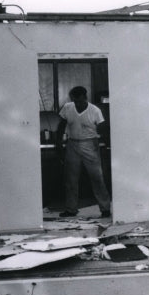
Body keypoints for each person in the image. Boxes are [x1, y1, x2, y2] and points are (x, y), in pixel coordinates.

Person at [55, 86, 111, 218]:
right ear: (72, 99)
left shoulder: (95, 111)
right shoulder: (68, 107)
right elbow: (62, 125)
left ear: (85, 98)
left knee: (97, 178)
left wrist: (106, 143)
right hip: (73, 144)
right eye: (75, 101)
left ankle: (105, 208)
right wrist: (58, 142)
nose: (78, 104)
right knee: (70, 179)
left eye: (80, 101)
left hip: (90, 144)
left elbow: (103, 129)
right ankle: (71, 209)